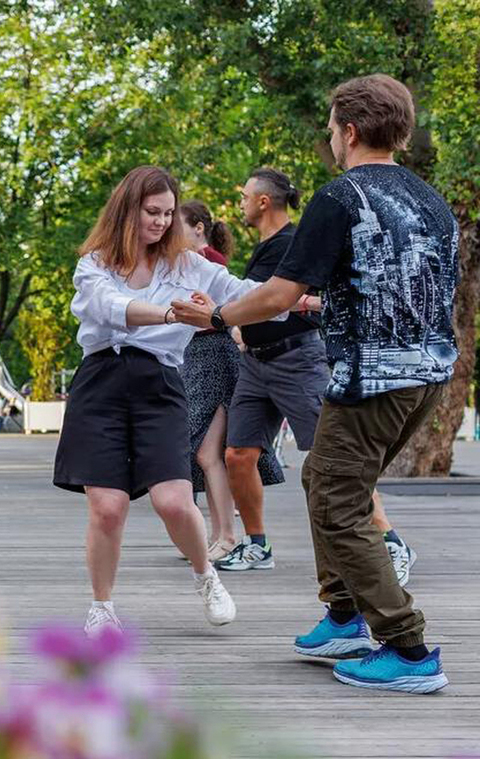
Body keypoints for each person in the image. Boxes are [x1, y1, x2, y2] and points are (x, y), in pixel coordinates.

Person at [172, 74, 457, 693]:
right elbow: (401, 291)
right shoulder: (428, 200)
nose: (331, 139)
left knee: (340, 500)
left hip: (371, 378)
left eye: (332, 128)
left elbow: (277, 293)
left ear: (349, 131)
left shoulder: (340, 197)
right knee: (321, 476)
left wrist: (216, 316)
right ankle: (344, 613)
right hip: (429, 372)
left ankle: (407, 648)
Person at [52, 165, 285, 634]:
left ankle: (206, 576)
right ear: (127, 210)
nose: (160, 222)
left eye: (168, 213)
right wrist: (177, 313)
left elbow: (244, 292)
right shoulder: (94, 264)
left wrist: (297, 298)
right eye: (151, 212)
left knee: (175, 501)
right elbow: (110, 309)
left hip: (159, 383)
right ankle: (102, 607)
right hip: (100, 383)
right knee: (108, 506)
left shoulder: (188, 264)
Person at [217, 169, 415, 586]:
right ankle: (258, 545)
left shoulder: (292, 242)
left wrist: (220, 312)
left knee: (334, 456)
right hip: (255, 364)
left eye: (244, 195)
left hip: (298, 362)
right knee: (238, 454)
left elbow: (276, 298)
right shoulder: (265, 245)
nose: (241, 203)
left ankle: (391, 541)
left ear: (265, 201)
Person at [176, 200, 284, 560]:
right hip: (200, 358)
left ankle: (227, 536)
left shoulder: (207, 261)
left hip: (214, 358)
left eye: (176, 224)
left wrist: (301, 303)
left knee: (209, 453)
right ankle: (222, 535)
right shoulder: (184, 261)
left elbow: (228, 307)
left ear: (198, 228)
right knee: (208, 453)